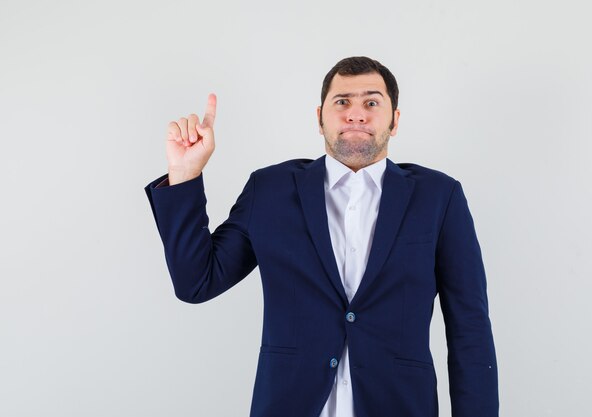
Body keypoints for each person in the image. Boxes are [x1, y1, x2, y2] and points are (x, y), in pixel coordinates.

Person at [144, 56, 499, 417]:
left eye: (372, 103)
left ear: (395, 121)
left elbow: (469, 329)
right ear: (319, 118)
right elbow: (196, 282)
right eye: (342, 102)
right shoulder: (269, 190)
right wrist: (184, 175)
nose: (356, 114)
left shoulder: (439, 197)